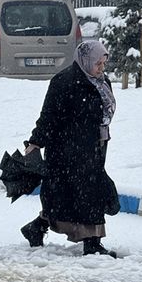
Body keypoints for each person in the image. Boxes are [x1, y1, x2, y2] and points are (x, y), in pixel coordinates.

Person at [19, 40, 121, 258]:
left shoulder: (101, 83)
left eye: (104, 63)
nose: (102, 68)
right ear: (85, 60)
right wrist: (35, 142)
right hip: (66, 149)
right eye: (98, 64)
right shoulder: (64, 82)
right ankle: (92, 243)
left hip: (93, 146)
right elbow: (49, 116)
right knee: (86, 194)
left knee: (69, 196)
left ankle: (37, 227)